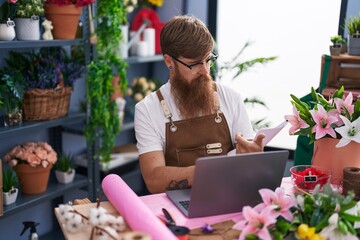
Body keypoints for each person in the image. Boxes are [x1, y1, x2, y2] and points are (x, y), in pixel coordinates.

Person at [134, 15, 265, 194]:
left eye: (208, 59)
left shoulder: (231, 98)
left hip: (229, 195)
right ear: (169, 61)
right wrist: (212, 171)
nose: (204, 70)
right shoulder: (147, 110)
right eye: (194, 64)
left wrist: (251, 156)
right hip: (177, 205)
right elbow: (154, 180)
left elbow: (248, 161)